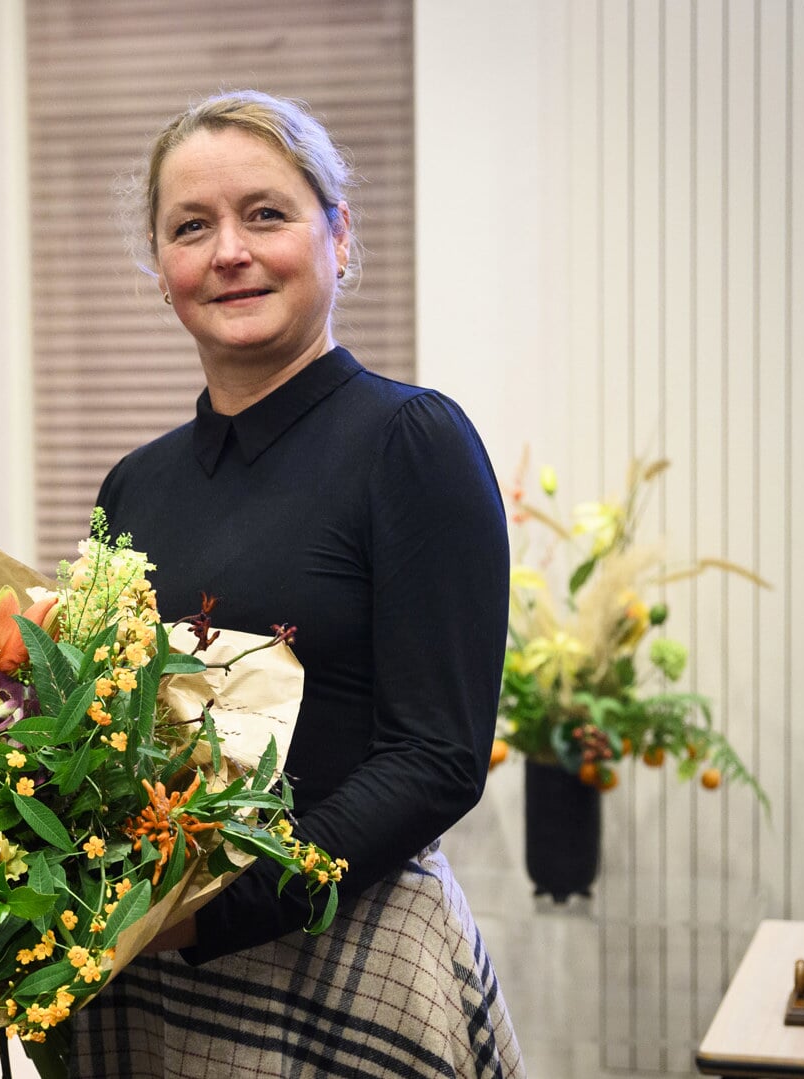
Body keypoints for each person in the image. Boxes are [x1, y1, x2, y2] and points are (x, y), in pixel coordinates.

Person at [71, 91, 525, 1078]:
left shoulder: (412, 442)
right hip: (151, 967)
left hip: (345, 947)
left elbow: (436, 757)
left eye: (265, 214)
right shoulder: (134, 483)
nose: (228, 250)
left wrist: (210, 913)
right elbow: (98, 737)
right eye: (191, 227)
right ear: (160, 271)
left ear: (338, 236)